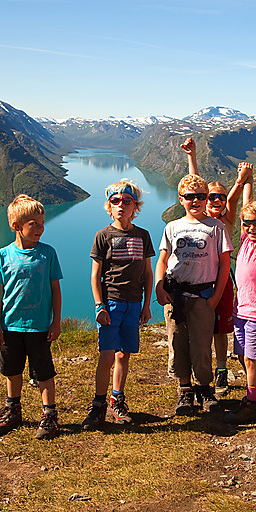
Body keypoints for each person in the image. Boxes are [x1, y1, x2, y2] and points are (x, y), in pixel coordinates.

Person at [155, 173, 233, 415]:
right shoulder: (172, 227)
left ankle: (204, 387)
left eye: (201, 196)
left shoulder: (216, 227)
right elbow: (163, 259)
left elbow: (224, 263)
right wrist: (159, 286)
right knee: (177, 342)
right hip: (175, 295)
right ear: (181, 199)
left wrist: (215, 298)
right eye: (190, 197)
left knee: (201, 345)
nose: (196, 201)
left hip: (203, 296)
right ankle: (184, 389)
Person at [181, 137, 252, 395]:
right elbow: (193, 185)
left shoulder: (226, 220)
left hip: (220, 282)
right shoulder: (197, 216)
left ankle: (221, 370)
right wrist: (192, 157)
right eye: (210, 196)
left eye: (220, 197)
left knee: (220, 330)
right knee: (200, 330)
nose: (215, 200)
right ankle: (200, 373)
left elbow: (234, 196)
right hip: (199, 281)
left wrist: (239, 182)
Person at [82, 180, 155, 430]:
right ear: (109, 206)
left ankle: (117, 399)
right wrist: (99, 306)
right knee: (107, 355)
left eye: (127, 200)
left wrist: (146, 306)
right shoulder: (103, 235)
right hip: (111, 302)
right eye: (116, 201)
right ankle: (98, 404)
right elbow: (95, 274)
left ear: (136, 206)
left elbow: (148, 273)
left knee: (124, 354)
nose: (121, 205)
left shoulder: (142, 235)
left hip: (134, 303)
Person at [0, 194, 62, 439]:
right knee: (12, 370)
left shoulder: (47, 254)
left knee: (43, 372)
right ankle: (13, 410)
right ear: (16, 226)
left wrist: (56, 321)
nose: (40, 229)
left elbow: (55, 289)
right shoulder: (2, 256)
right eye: (34, 224)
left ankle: (49, 415)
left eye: (42, 223)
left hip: (39, 326)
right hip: (11, 326)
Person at [224, 198, 256, 424]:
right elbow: (246, 202)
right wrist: (246, 179)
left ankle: (252, 403)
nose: (252, 227)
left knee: (250, 359)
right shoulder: (246, 240)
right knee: (241, 356)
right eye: (247, 223)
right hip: (240, 311)